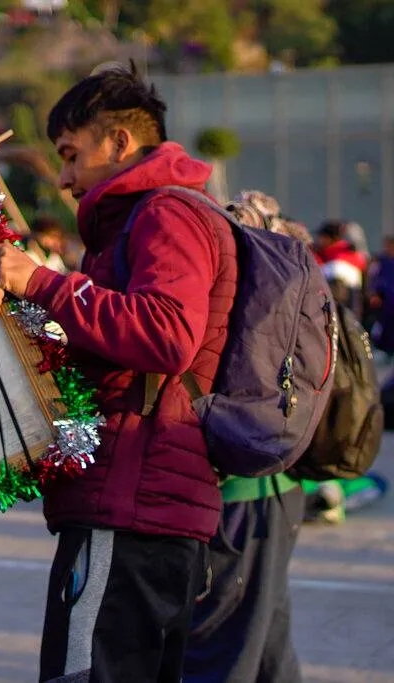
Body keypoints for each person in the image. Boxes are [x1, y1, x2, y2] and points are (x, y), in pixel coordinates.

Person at [0, 63, 234, 682]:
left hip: (131, 503)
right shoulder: (146, 218)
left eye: (70, 154)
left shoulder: (166, 214)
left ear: (118, 142)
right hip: (150, 503)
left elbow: (167, 334)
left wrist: (40, 280)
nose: (63, 178)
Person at [182, 190, 309, 683]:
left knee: (221, 651)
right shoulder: (286, 284)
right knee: (268, 640)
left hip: (238, 494)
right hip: (280, 488)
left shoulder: (238, 291)